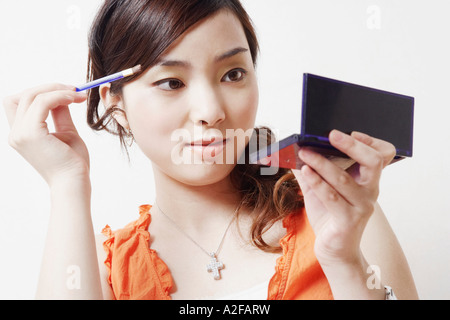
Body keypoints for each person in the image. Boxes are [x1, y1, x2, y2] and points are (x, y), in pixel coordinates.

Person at [3, 0, 418, 300]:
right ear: (115, 102)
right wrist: (66, 183)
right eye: (171, 82)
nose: (211, 111)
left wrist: (345, 263)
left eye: (233, 74)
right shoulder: (103, 268)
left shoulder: (337, 209)